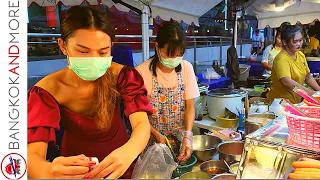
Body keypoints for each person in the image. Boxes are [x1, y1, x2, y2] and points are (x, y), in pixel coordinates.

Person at [27, 6, 153, 179]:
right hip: (75, 168)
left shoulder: (123, 75)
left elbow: (141, 124)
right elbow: (32, 157)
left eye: (103, 52)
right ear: (63, 46)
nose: (94, 60)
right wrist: (48, 171)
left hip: (121, 162)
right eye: (83, 51)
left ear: (111, 47)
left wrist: (130, 151)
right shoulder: (47, 90)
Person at [136, 21, 199, 161]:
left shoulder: (186, 68)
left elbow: (190, 106)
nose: (174, 59)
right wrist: (155, 134)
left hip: (179, 141)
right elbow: (138, 114)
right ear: (157, 47)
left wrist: (188, 135)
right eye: (169, 54)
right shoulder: (141, 73)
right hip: (152, 140)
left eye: (179, 54)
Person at [267, 25, 320, 104]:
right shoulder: (281, 58)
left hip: (296, 102)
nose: (299, 44)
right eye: (295, 41)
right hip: (281, 103)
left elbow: (307, 77)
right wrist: (310, 93)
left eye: (301, 40)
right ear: (284, 42)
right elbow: (286, 82)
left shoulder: (300, 55)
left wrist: (318, 91)